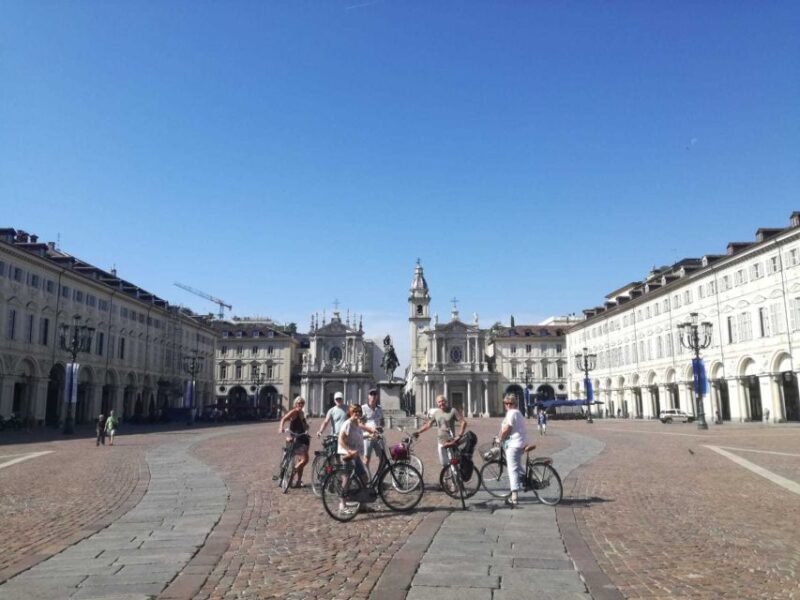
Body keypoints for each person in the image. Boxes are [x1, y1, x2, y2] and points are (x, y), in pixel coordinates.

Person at [338, 404, 377, 513]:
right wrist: (349, 450)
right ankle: (342, 505)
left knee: (364, 478)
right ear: (350, 412)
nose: (357, 413)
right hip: (347, 456)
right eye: (354, 411)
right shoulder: (348, 424)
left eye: (359, 411)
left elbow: (358, 436)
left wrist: (368, 436)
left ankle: (362, 505)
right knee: (346, 480)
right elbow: (341, 440)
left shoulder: (356, 424)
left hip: (356, 456)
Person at [413, 394, 467, 469]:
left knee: (453, 465)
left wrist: (460, 435)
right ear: (437, 403)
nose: (441, 403)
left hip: (451, 442)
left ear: (446, 401)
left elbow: (463, 422)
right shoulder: (436, 413)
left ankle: (456, 479)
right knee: (444, 464)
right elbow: (428, 425)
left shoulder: (452, 410)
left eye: (442, 401)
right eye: (439, 402)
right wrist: (418, 432)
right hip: (441, 442)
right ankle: (447, 478)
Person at [499, 393, 528, 506]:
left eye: (511, 403)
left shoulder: (511, 413)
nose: (508, 405)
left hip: (514, 444)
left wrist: (500, 439)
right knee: (517, 465)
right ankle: (526, 480)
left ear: (514, 404)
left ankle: (514, 497)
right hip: (521, 442)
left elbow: (507, 428)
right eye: (507, 403)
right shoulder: (518, 412)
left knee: (512, 469)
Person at [279, 396, 311, 488]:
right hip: (296, 438)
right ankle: (292, 473)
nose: (300, 404)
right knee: (305, 460)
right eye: (298, 403)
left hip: (303, 437)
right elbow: (284, 419)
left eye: (302, 403)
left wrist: (307, 426)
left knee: (301, 460)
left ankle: (298, 481)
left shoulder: (302, 413)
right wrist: (281, 427)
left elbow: (304, 427)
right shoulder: (294, 411)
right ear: (295, 404)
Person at [361, 389, 384, 470]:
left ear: (377, 397)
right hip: (368, 437)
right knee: (366, 459)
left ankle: (379, 477)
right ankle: (367, 479)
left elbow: (382, 422)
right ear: (368, 396)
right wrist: (370, 429)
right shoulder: (363, 408)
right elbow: (359, 424)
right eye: (371, 394)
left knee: (383, 458)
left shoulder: (379, 409)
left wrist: (380, 427)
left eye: (375, 394)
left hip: (378, 437)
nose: (373, 396)